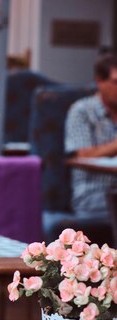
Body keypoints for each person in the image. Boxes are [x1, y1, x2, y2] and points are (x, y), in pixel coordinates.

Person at [63, 53, 117, 233]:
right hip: (93, 194)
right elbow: (82, 154)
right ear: (99, 81)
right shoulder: (82, 111)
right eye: (115, 82)